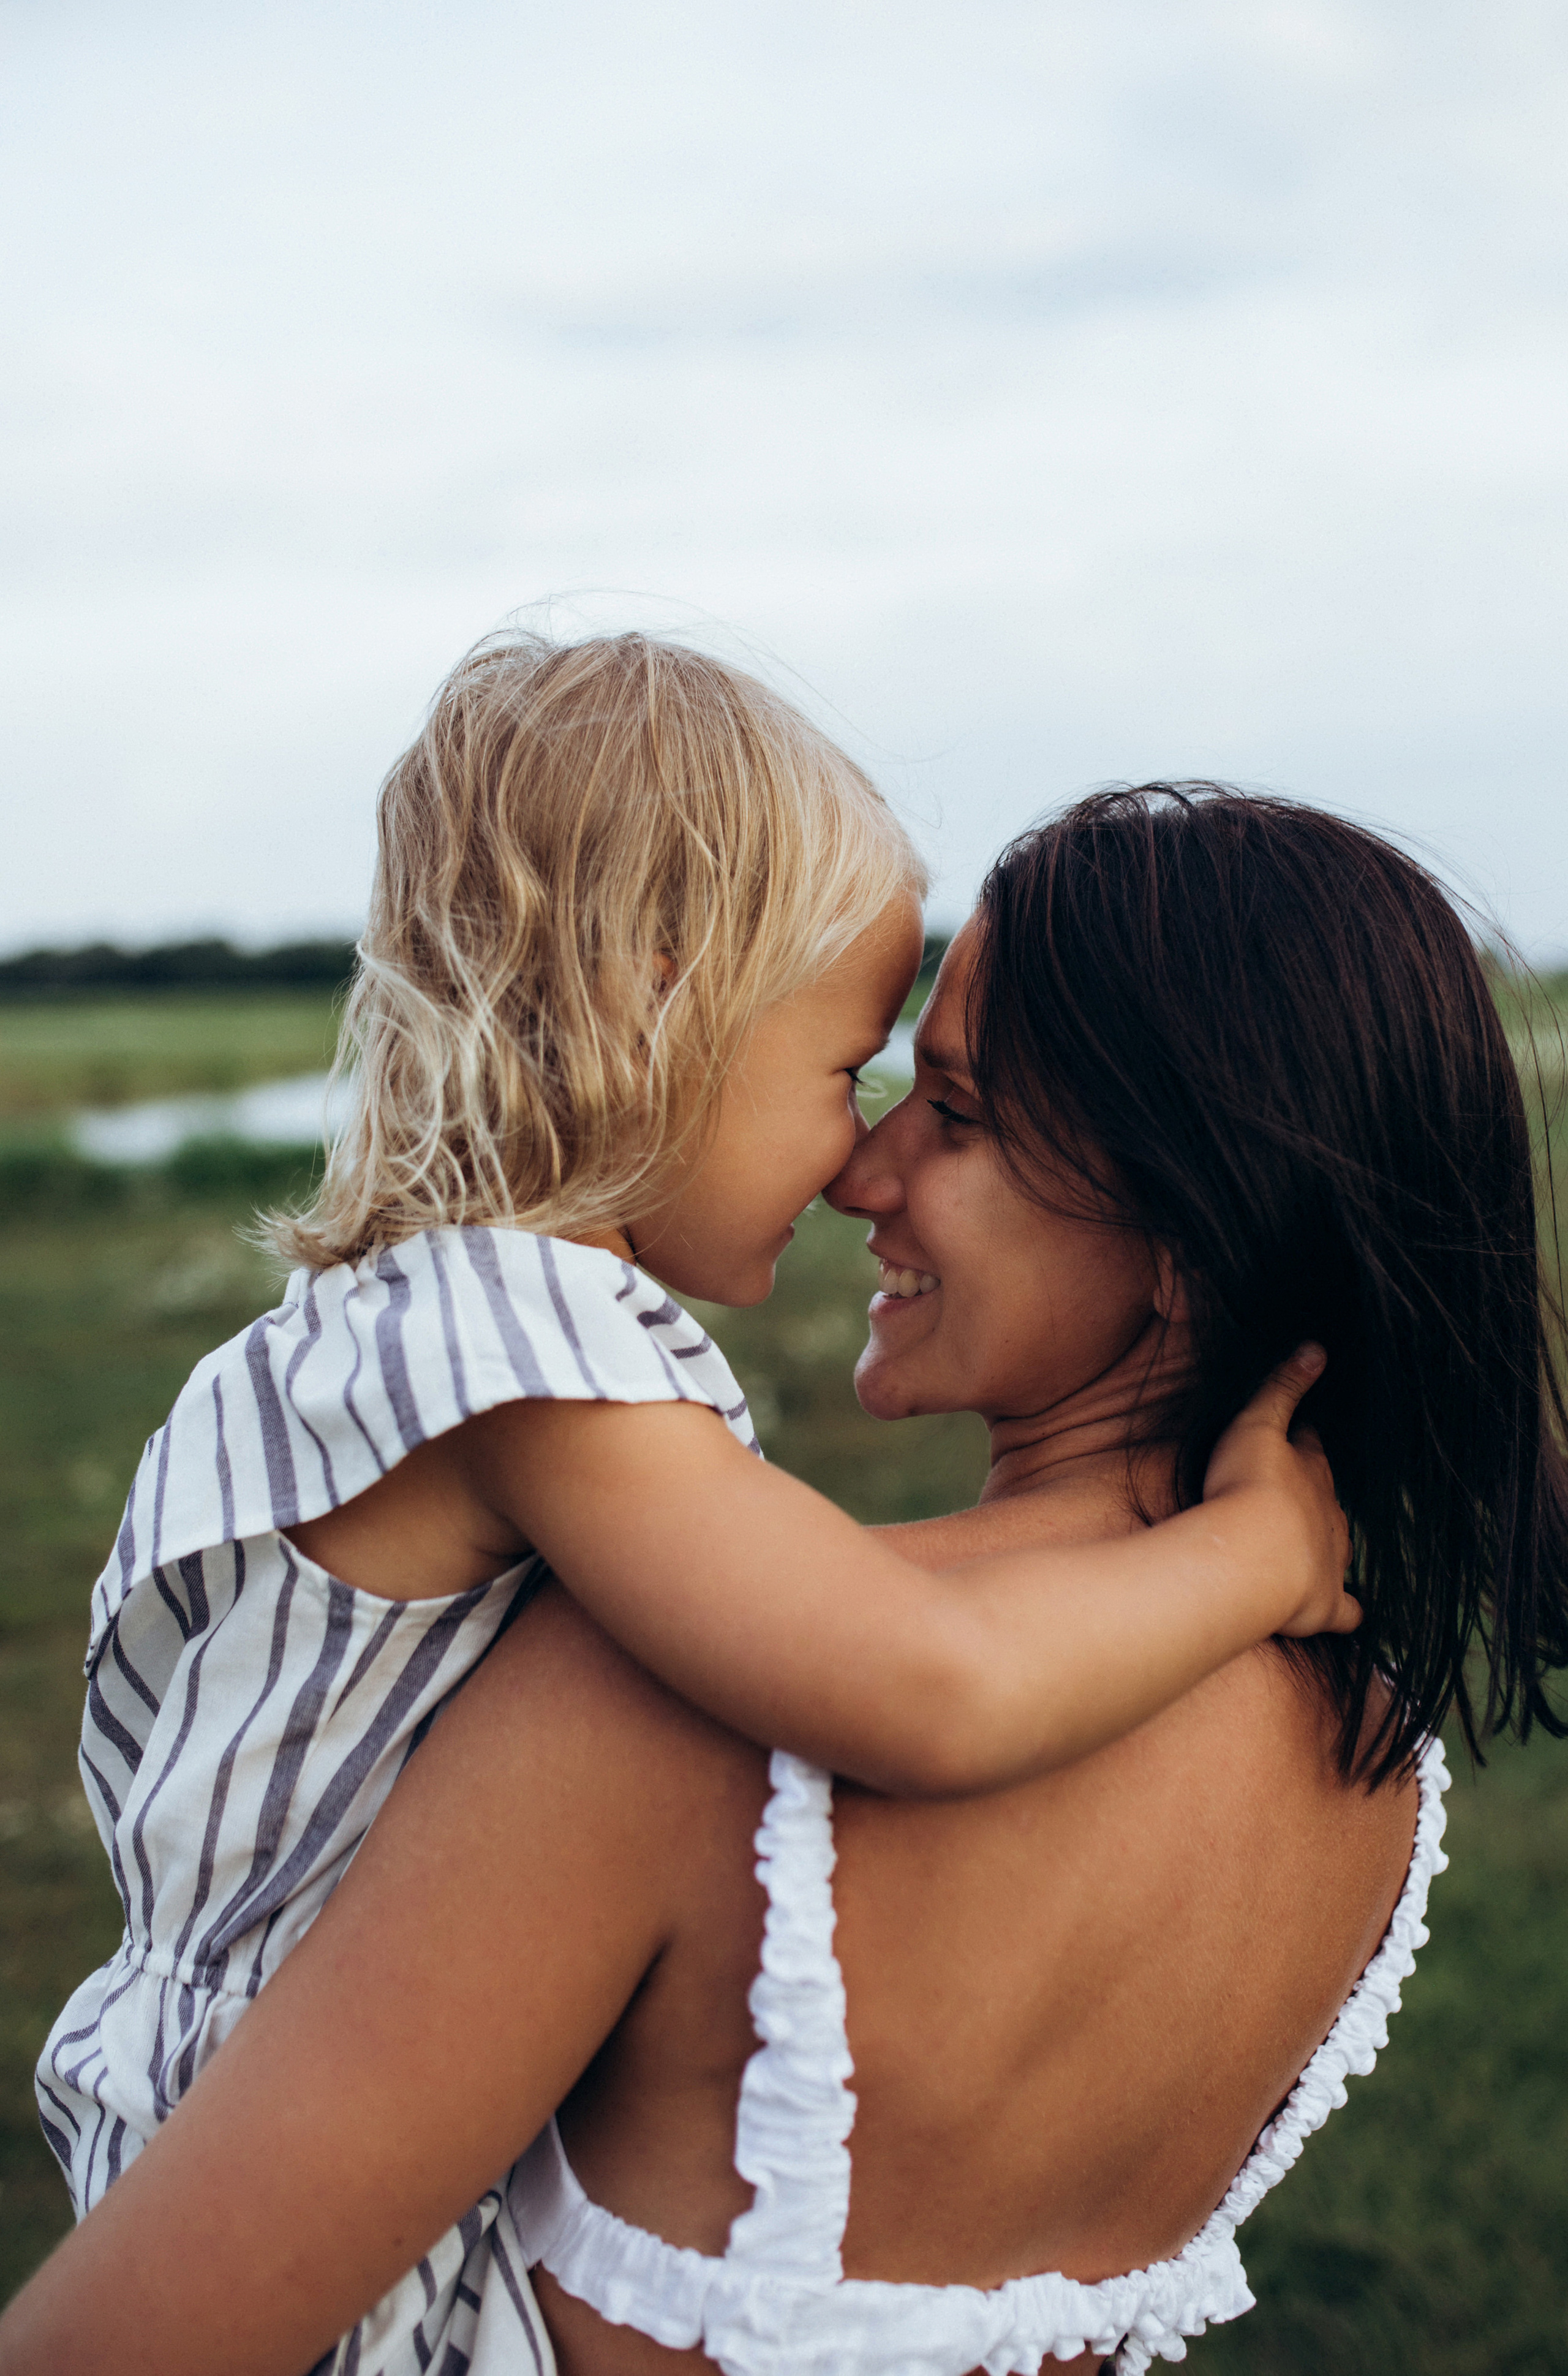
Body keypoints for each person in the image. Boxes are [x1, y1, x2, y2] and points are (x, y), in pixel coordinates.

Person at [12, 664, 1351, 2375]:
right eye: (847, 1070)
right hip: (301, 2194)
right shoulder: (525, 1345)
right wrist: (1255, 1554)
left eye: (934, 1107)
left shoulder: (443, 1325)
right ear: (660, 1007)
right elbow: (923, 1682)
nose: (858, 1160)